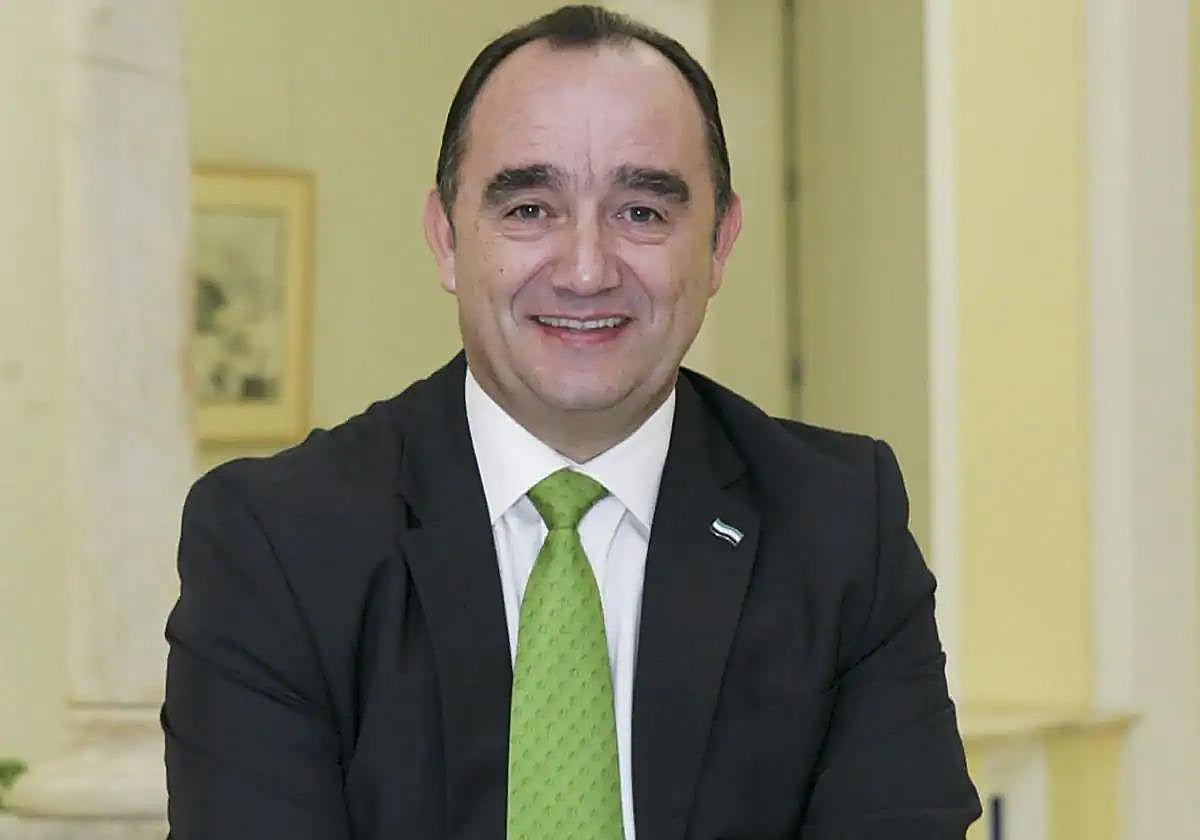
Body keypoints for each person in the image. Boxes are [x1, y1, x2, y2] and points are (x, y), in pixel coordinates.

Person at [161, 5, 980, 838]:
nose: (586, 271)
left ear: (720, 242)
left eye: (642, 212)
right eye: (529, 209)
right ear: (445, 238)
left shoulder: (839, 527)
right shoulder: (278, 542)